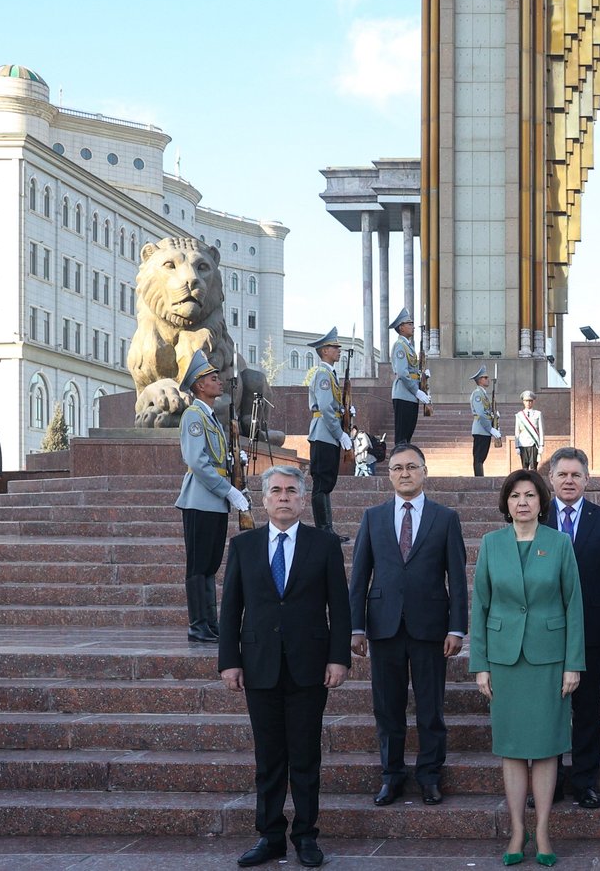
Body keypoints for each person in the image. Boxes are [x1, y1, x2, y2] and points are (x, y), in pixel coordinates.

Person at [218, 465, 351, 869]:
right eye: (275, 490)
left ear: (303, 497)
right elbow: (230, 610)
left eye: (291, 490)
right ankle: (270, 835)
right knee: (269, 758)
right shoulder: (244, 546)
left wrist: (338, 657)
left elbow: (340, 609)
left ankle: (306, 836)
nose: (283, 497)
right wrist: (229, 662)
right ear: (263, 498)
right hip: (259, 667)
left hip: (310, 667)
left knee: (306, 756)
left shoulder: (324, 544)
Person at [470, 469, 584, 867]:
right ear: (506, 503)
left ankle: (543, 831)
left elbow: (574, 605)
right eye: (516, 495)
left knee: (548, 748)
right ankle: (518, 830)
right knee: (513, 749)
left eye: (530, 496)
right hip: (503, 660)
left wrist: (574, 664)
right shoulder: (490, 544)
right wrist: (480, 665)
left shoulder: (559, 543)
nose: (522, 502)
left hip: (549, 659)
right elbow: (480, 607)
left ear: (541, 502)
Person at [348, 444, 467, 808]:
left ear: (424, 472)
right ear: (389, 475)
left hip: (431, 628)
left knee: (431, 708)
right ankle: (391, 776)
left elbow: (457, 579)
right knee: (387, 707)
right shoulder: (373, 516)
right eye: (397, 468)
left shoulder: (445, 518)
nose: (404, 473)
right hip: (383, 627)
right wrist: (355, 628)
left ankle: (430, 776)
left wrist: (456, 628)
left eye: (411, 467)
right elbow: (360, 575)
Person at [545, 446, 600, 809]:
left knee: (587, 708)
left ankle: (584, 781)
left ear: (587, 479)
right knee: (548, 709)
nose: (569, 480)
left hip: (593, 630)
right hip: (543, 631)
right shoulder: (533, 514)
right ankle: (550, 780)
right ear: (550, 479)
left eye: (575, 475)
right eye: (562, 474)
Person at [174, 350, 253, 644]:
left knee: (209, 566)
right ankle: (198, 624)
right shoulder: (194, 416)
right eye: (212, 378)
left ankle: (209, 623)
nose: (219, 382)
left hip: (214, 502)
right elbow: (198, 462)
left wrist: (236, 463)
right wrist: (228, 490)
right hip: (200, 500)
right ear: (198, 385)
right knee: (198, 567)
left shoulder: (211, 418)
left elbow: (217, 458)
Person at [305, 328, 346, 533]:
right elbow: (325, 407)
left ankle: (327, 529)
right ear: (324, 351)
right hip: (324, 434)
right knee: (322, 483)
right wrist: (340, 434)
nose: (338, 350)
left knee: (327, 482)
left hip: (328, 435)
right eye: (334, 347)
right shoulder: (323, 374)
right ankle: (323, 530)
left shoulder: (330, 374)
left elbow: (333, 405)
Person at [389, 307, 429, 447]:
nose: (413, 327)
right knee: (401, 438)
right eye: (409, 324)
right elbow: (402, 372)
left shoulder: (408, 346)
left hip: (410, 395)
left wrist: (421, 375)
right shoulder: (400, 346)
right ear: (401, 328)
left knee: (407, 437)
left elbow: (411, 370)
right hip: (404, 394)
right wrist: (416, 391)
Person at [469, 367, 501, 478]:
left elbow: (487, 412)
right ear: (479, 380)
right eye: (485, 377)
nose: (488, 379)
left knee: (481, 458)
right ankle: (479, 480)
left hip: (484, 430)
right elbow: (481, 414)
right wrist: (490, 429)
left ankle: (480, 478)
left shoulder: (483, 394)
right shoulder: (478, 394)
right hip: (481, 429)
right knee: (478, 458)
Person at [515, 391, 545, 472]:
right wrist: (516, 446)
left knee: (533, 468)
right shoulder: (519, 415)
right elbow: (517, 432)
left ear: (533, 402)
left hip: (533, 443)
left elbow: (541, 431)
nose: (528, 403)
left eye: (530, 401)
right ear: (523, 402)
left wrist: (541, 445)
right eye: (526, 401)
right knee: (524, 468)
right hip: (522, 443)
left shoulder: (538, 414)